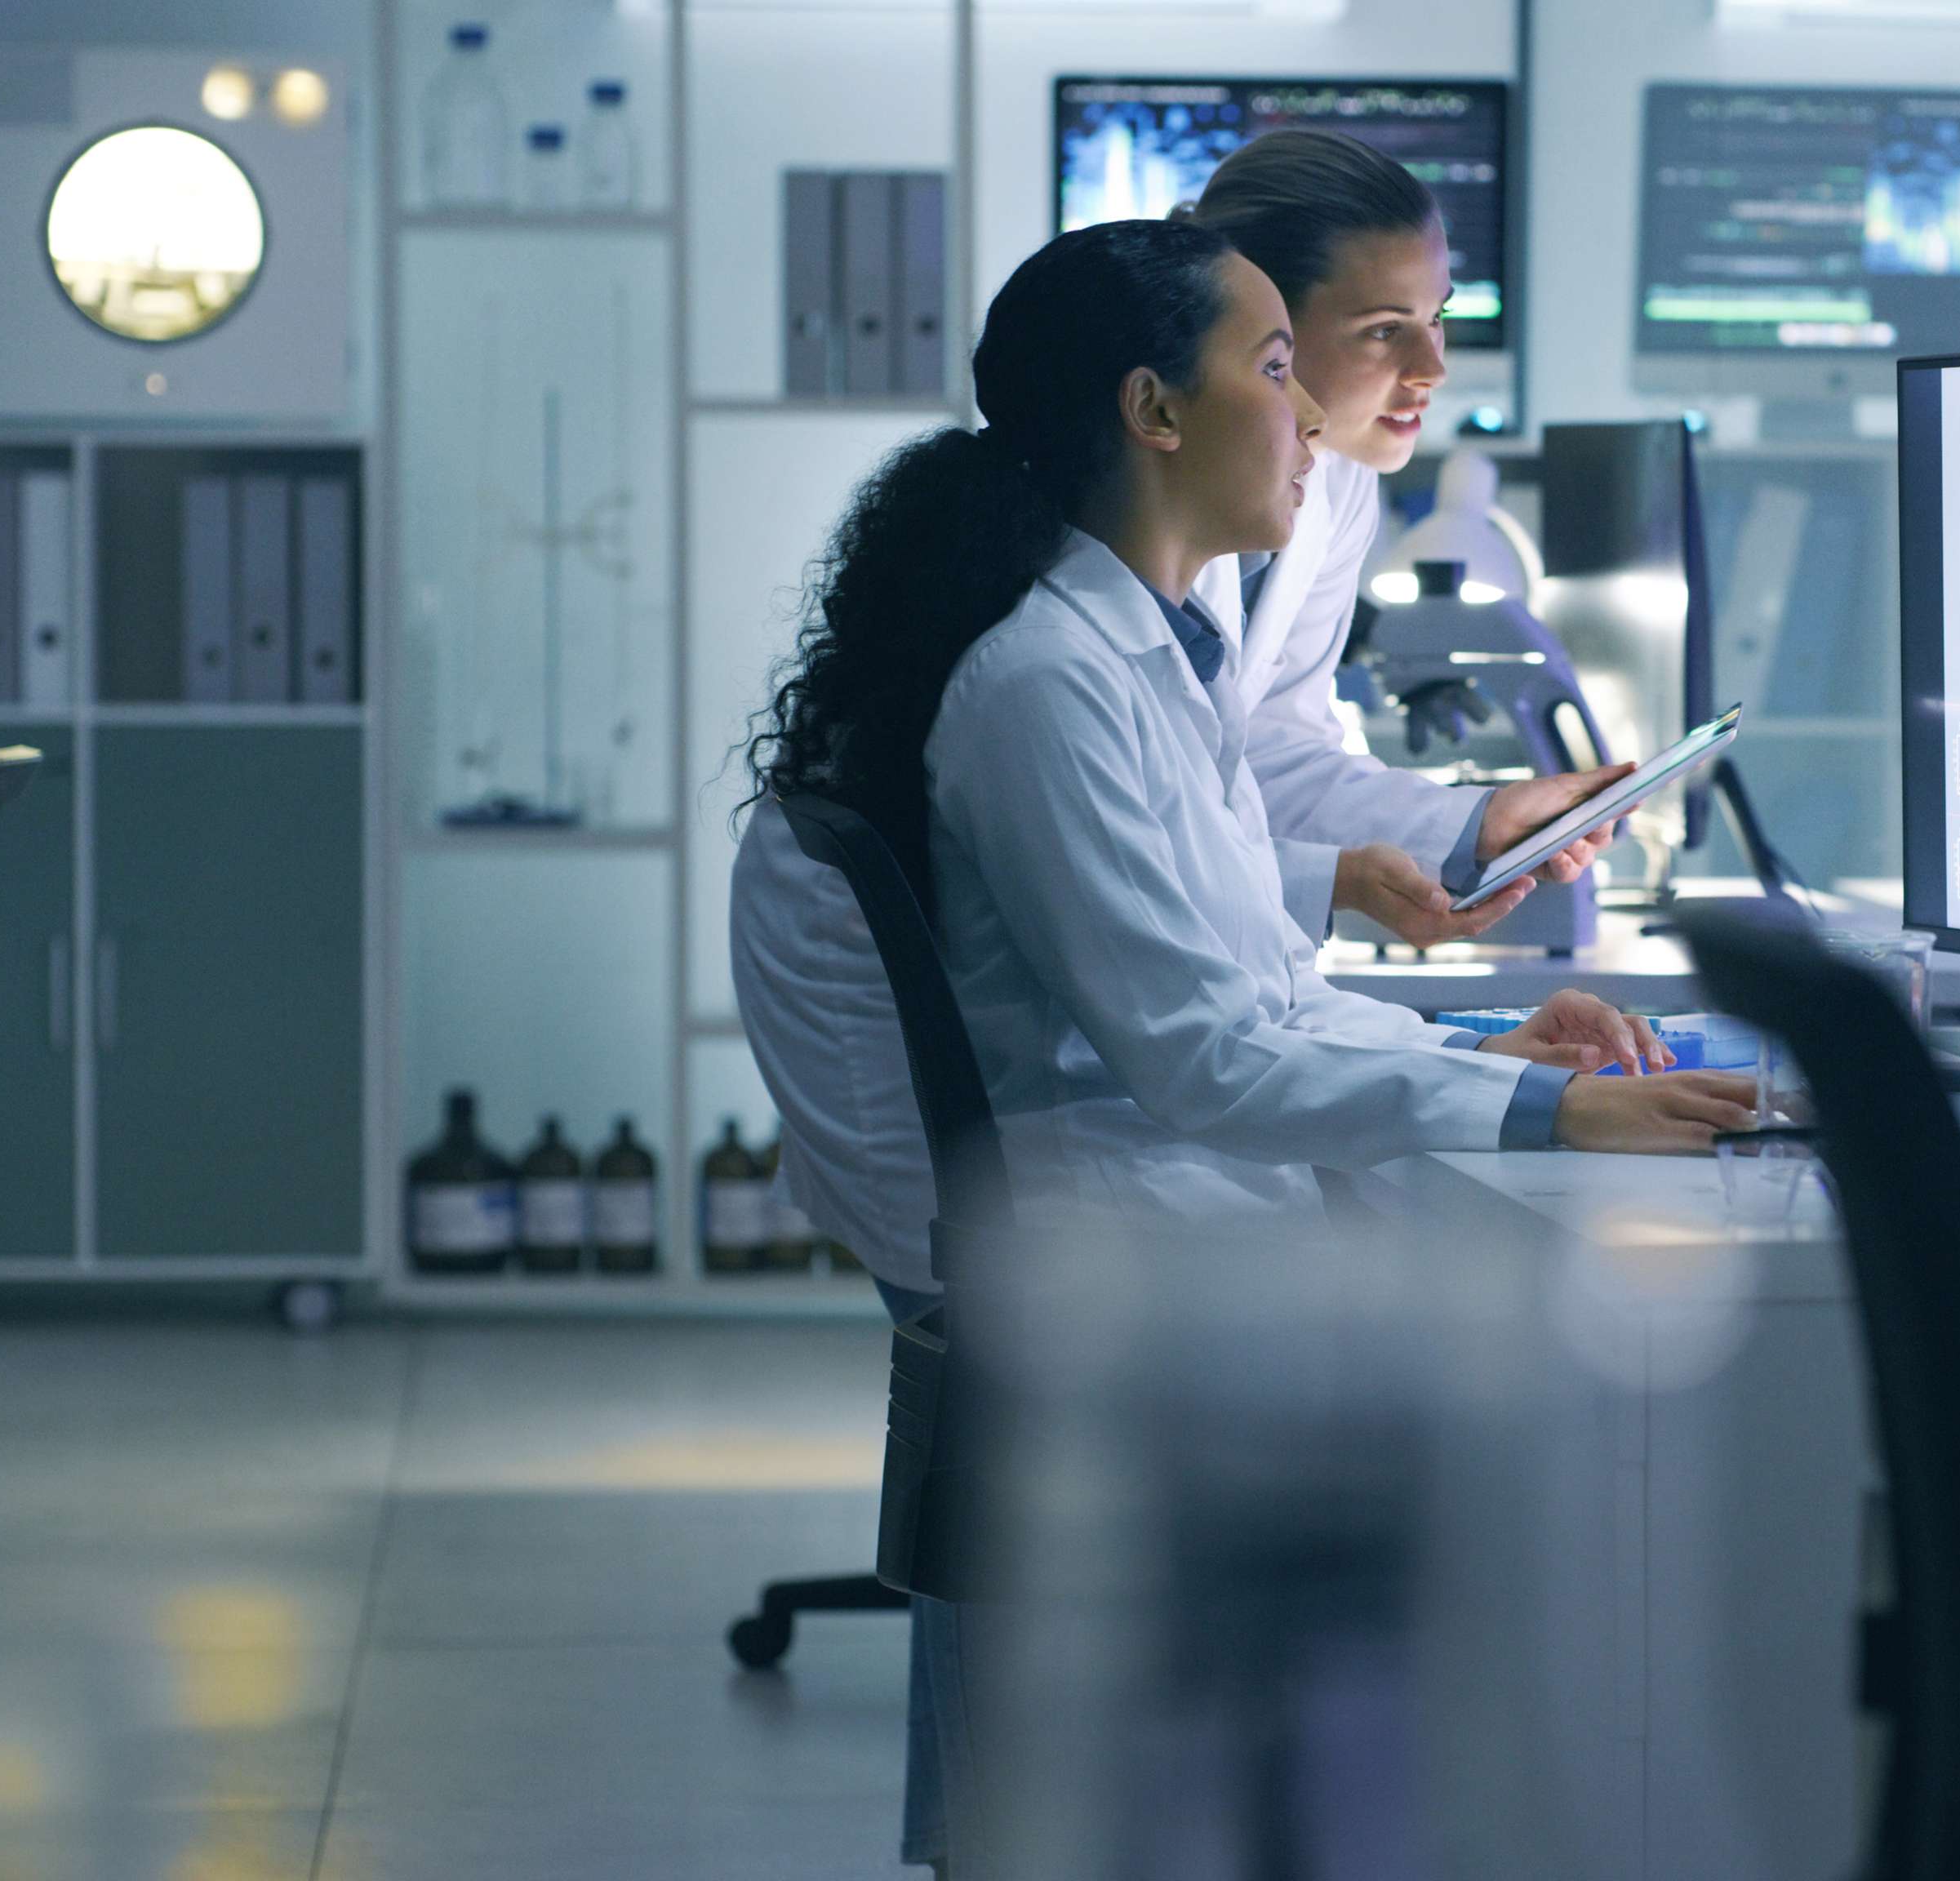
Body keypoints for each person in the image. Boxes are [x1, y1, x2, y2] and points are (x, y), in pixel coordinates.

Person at [729, 219, 1757, 1874]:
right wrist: (1543, 1117)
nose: (1315, 419)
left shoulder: (1147, 661)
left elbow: (1253, 997)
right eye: (1278, 368)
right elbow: (1209, 1057)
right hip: (1135, 1241)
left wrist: (1510, 1054)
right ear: (1154, 411)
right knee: (1606, 1401)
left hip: (1162, 1205)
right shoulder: (1047, 688)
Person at [1177, 129, 1630, 949]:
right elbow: (1151, 842)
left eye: (1437, 319)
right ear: (1257, 325)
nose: (1432, 367)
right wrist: (1339, 882)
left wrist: (1479, 821)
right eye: (1386, 330)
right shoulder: (1121, 532)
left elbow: (1269, 755)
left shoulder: (1340, 483)